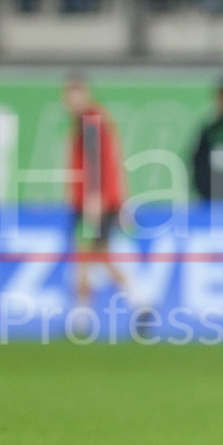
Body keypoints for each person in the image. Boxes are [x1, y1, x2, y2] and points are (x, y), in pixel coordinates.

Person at [63, 73, 137, 332]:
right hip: (101, 200)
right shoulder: (96, 119)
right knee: (99, 255)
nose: (71, 100)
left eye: (75, 94)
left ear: (84, 94)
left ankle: (82, 318)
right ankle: (139, 303)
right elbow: (114, 158)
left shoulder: (90, 120)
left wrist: (93, 198)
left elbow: (94, 163)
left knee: (85, 255)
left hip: (93, 203)